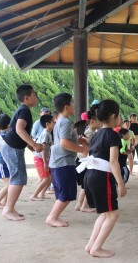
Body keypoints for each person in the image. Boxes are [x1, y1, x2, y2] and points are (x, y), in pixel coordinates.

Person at [83, 99, 127, 258]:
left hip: (90, 176)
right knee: (113, 214)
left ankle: (91, 245)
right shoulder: (113, 135)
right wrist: (121, 183)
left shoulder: (96, 134)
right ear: (114, 116)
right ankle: (96, 248)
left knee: (104, 214)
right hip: (101, 177)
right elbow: (113, 161)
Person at [1, 85, 43, 221]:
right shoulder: (24, 110)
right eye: (34, 94)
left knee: (18, 178)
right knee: (18, 179)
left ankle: (10, 208)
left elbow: (20, 132)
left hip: (12, 146)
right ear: (27, 98)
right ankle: (8, 210)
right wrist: (34, 144)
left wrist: (31, 147)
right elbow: (19, 130)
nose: (36, 97)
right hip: (11, 147)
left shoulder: (24, 110)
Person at [45, 93, 88, 227]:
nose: (74, 105)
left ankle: (55, 216)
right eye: (73, 103)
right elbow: (64, 143)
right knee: (66, 193)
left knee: (62, 192)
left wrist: (77, 140)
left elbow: (64, 139)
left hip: (59, 162)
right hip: (62, 162)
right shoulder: (66, 122)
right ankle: (52, 217)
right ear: (66, 106)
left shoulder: (60, 120)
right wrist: (82, 149)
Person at [74, 104, 101, 213]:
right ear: (93, 122)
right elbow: (86, 148)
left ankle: (79, 205)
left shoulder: (90, 131)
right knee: (87, 186)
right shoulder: (90, 132)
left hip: (82, 161)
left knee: (85, 186)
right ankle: (83, 206)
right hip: (84, 162)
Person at [30, 114, 54, 201]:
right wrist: (45, 163)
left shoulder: (48, 133)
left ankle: (41, 194)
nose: (54, 122)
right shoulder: (46, 134)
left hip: (43, 159)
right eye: (52, 121)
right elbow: (43, 149)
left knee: (50, 178)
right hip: (40, 158)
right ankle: (34, 195)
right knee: (46, 179)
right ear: (47, 124)